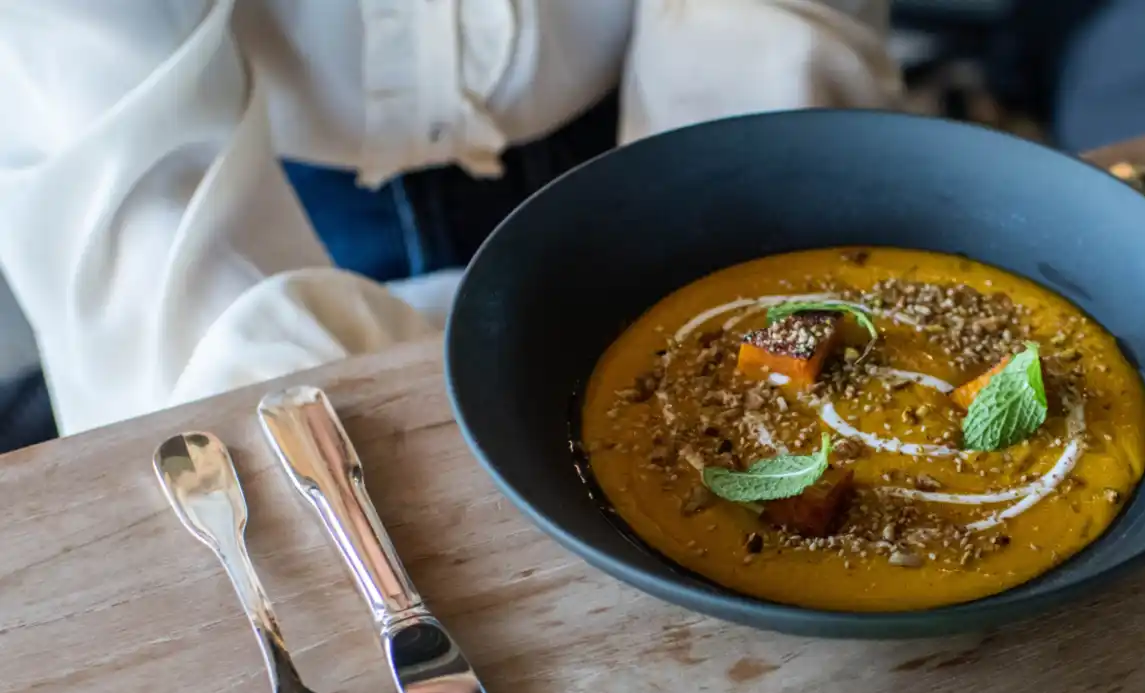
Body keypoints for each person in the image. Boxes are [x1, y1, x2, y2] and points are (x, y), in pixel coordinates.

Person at [0, 2, 899, 440]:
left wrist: (713, 304)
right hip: (250, 210)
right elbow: (136, 191)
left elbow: (758, 26)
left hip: (656, 124)